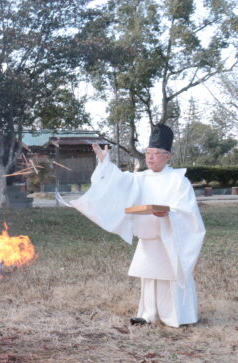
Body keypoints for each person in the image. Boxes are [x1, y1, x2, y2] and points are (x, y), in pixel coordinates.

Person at [70, 124, 205, 327]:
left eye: (156, 153)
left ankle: (176, 316)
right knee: (148, 277)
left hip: (170, 236)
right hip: (148, 237)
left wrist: (169, 213)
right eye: (148, 153)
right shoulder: (140, 178)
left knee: (171, 276)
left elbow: (187, 211)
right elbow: (117, 183)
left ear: (168, 156)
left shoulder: (178, 181)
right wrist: (104, 161)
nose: (150, 158)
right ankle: (148, 314)